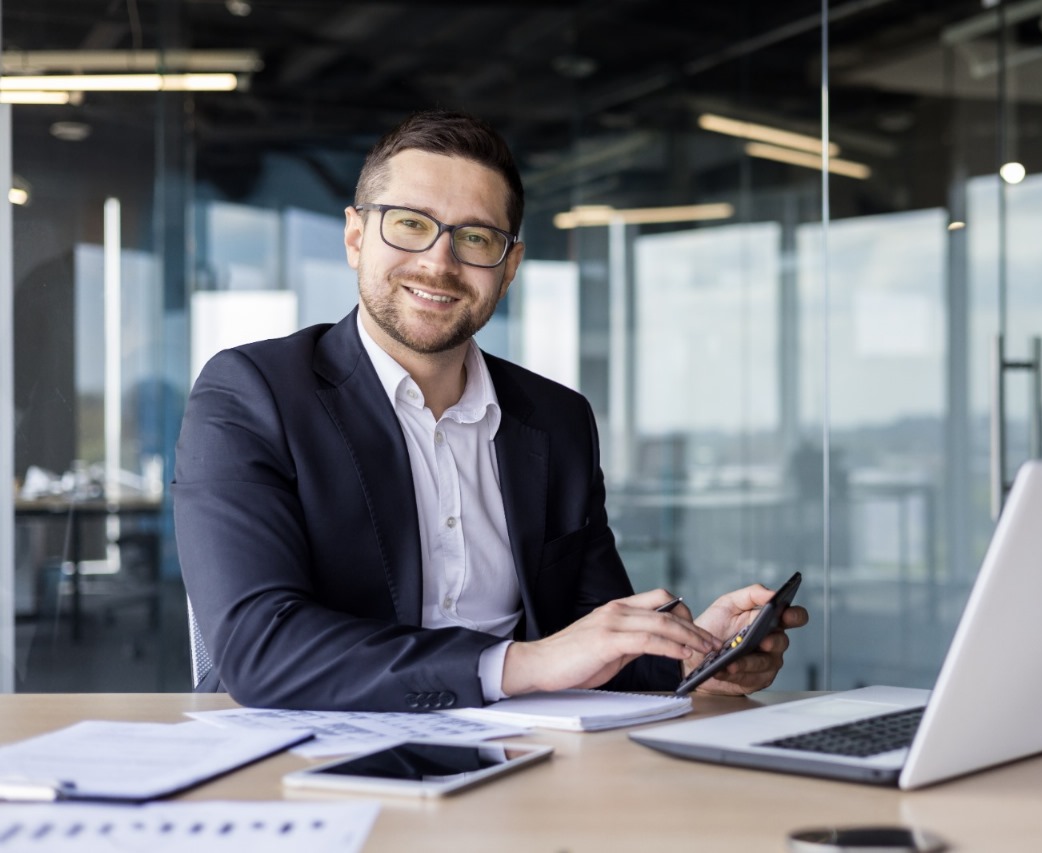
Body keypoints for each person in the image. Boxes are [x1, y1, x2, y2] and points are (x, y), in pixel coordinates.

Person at [173, 109, 808, 712]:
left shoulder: (557, 420)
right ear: (355, 236)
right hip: (317, 762)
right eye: (411, 224)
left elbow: (591, 645)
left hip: (521, 763)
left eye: (476, 237)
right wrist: (518, 665)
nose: (439, 262)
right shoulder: (253, 393)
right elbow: (258, 647)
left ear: (509, 270)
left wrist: (692, 654)